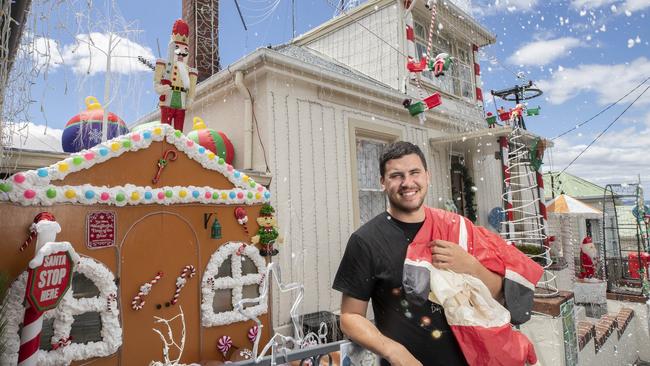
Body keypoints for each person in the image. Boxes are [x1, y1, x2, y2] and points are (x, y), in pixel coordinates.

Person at [333, 141, 540, 366]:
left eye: (414, 173)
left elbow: (500, 296)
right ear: (382, 182)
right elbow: (350, 317)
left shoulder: (457, 228)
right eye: (396, 175)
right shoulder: (366, 241)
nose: (407, 183)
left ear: (427, 176)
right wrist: (394, 351)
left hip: (474, 359)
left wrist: (470, 265)